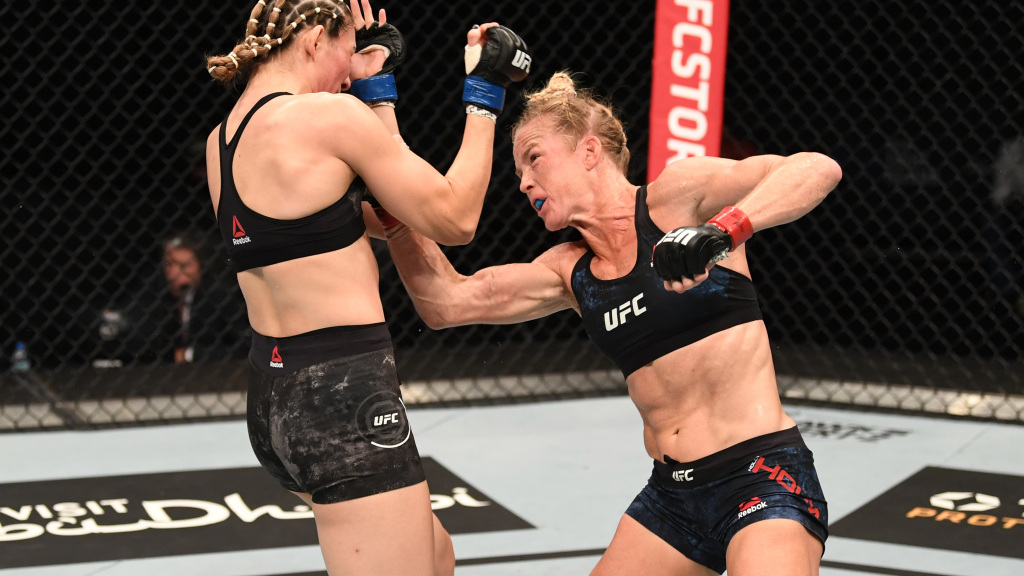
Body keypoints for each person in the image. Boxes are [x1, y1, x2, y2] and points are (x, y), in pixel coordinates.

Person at [383, 72, 843, 576]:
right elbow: (446, 302)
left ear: (588, 151)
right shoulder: (568, 271)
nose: (523, 181)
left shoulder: (677, 198)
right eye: (517, 172)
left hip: (761, 475)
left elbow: (816, 168)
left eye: (533, 158)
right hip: (671, 501)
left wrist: (720, 232)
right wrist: (393, 211)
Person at [203, 1, 530, 574]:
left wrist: (378, 90)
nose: (348, 74)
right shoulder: (325, 118)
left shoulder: (223, 139)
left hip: (273, 396)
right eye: (346, 53)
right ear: (312, 40)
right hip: (343, 400)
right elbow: (455, 220)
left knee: (436, 555)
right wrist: (486, 90)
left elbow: (384, 213)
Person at [95, 233, 249, 366]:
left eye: (184, 265)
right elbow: (139, 340)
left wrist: (189, 355)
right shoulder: (153, 288)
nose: (175, 272)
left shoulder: (219, 294)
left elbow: (243, 345)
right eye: (170, 265)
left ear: (201, 266)